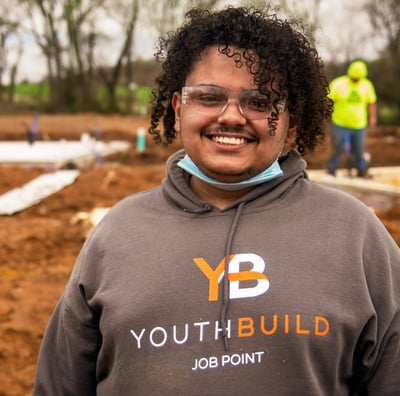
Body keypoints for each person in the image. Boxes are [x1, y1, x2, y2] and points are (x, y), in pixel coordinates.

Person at [33, 6, 400, 395]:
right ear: (178, 111)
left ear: (291, 124)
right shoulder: (117, 235)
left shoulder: (356, 236)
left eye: (260, 102)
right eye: (208, 97)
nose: (231, 117)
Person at [327, 60, 377, 177]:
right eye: (355, 77)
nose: (356, 80)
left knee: (359, 150)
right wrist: (326, 115)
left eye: (359, 78)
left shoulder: (366, 85)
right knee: (337, 148)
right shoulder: (338, 84)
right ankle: (331, 171)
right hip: (339, 123)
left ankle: (362, 170)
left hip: (359, 124)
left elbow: (371, 102)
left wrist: (373, 117)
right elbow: (328, 100)